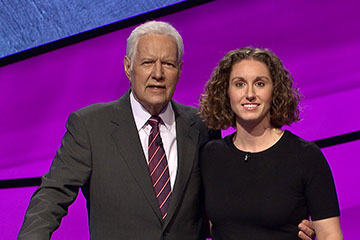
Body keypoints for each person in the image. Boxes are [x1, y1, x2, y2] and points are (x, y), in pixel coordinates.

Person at [18, 21, 314, 239]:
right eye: (147, 63)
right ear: (127, 67)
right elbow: (51, 198)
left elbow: (221, 208)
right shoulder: (90, 126)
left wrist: (282, 226)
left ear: (180, 69)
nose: (158, 74)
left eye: (168, 64)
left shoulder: (202, 126)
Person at [199, 47, 343, 240]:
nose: (250, 94)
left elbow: (329, 235)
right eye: (239, 84)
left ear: (274, 90)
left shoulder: (305, 156)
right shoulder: (210, 156)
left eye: (260, 83)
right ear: (226, 92)